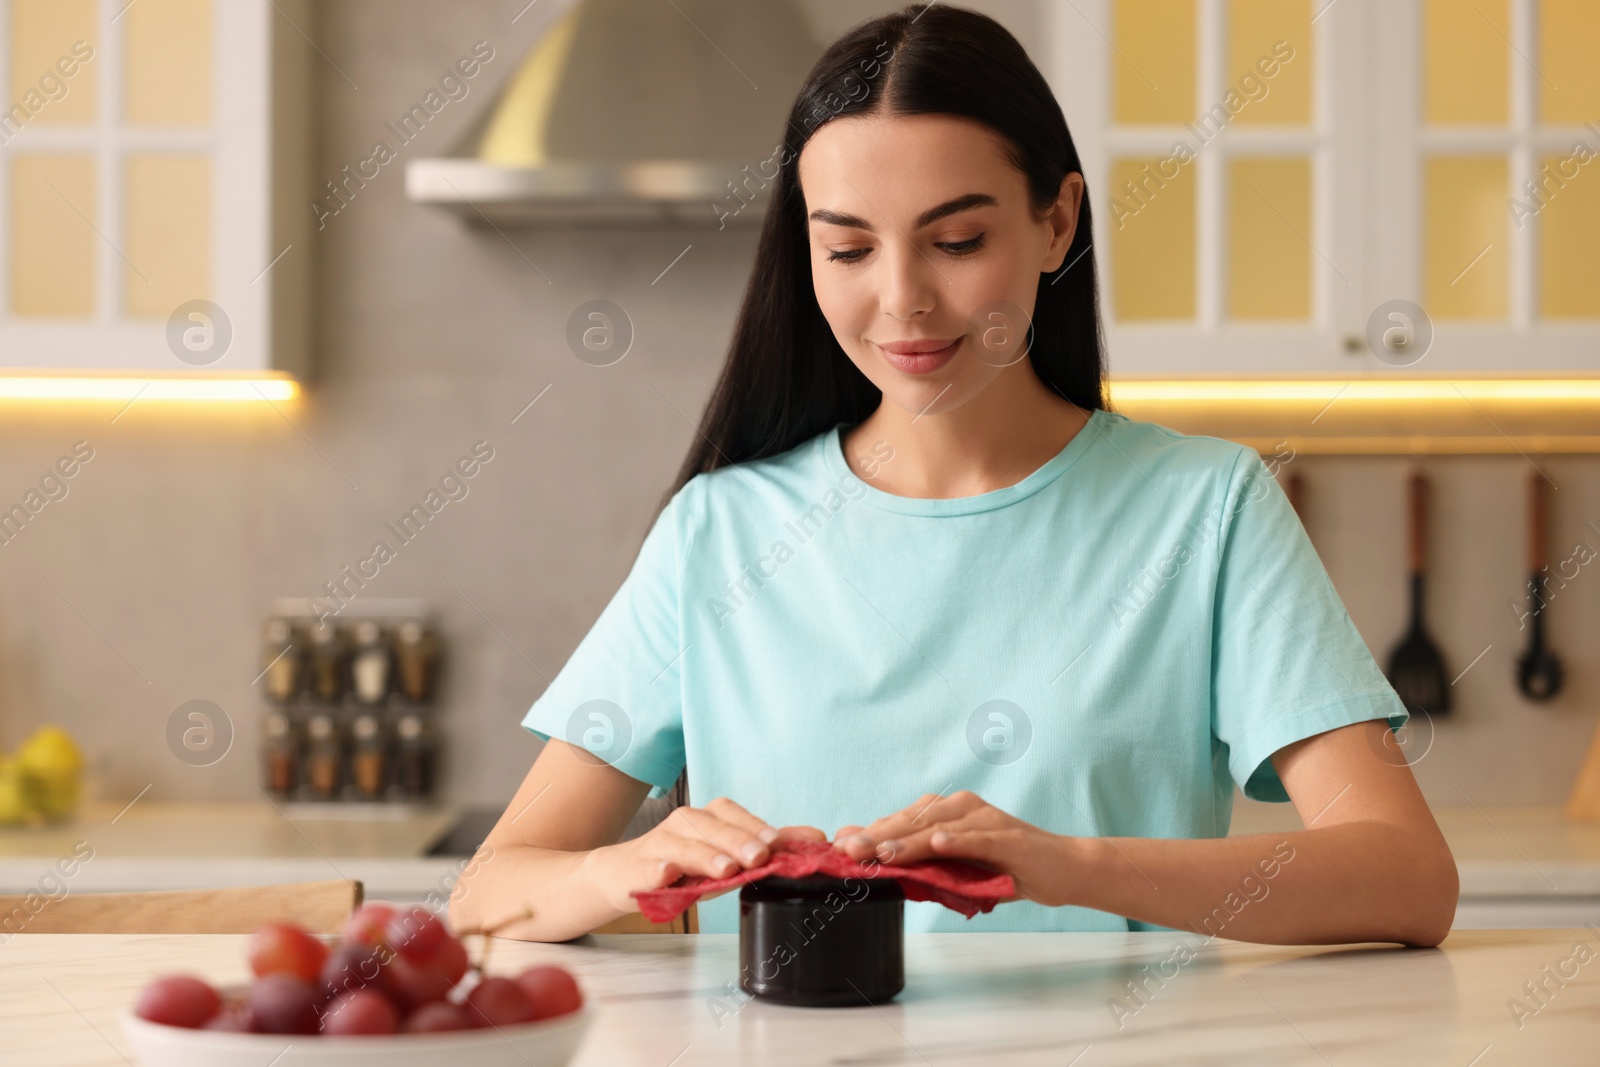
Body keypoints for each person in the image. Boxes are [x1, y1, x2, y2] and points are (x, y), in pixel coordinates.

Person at [451, 3, 1457, 946]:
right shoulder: (717, 532)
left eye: (957, 241)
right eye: (847, 248)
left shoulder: (1208, 507)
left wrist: (1070, 865)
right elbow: (489, 889)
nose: (903, 301)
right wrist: (625, 866)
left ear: (1057, 222)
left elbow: (1405, 874)